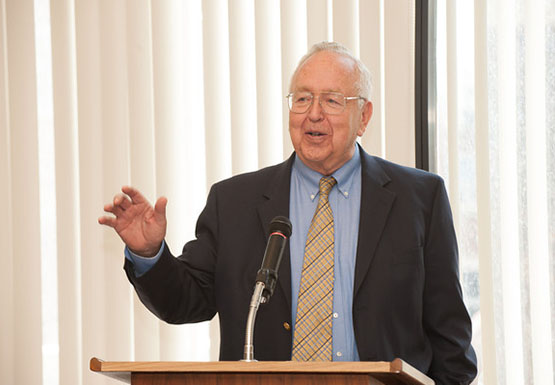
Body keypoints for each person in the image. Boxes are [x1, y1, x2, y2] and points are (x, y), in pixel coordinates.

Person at [99, 41, 477, 384]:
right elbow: (185, 302)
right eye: (301, 99)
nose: (313, 114)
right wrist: (150, 254)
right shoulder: (234, 202)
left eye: (331, 100)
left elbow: (450, 341)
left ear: (364, 117)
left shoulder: (419, 198)